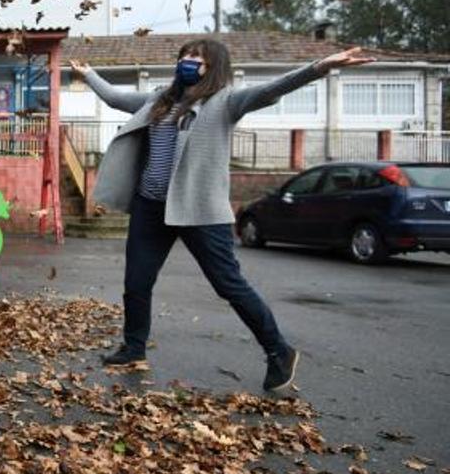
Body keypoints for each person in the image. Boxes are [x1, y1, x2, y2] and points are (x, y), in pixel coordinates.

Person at [70, 41, 375, 391]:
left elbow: (273, 89)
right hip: (151, 206)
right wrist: (88, 73)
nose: (188, 61)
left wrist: (320, 67)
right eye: (185, 55)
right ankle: (134, 347)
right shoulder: (160, 100)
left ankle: (279, 351)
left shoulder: (225, 102)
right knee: (136, 281)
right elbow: (114, 98)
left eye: (198, 58)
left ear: (213, 66)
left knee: (228, 284)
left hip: (199, 210)